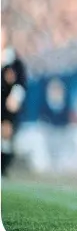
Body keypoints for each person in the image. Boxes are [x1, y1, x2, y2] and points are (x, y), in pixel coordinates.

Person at [1, 25, 27, 177]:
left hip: (6, 105)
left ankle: (3, 166)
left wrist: (15, 97)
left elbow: (21, 81)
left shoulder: (13, 60)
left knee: (5, 134)